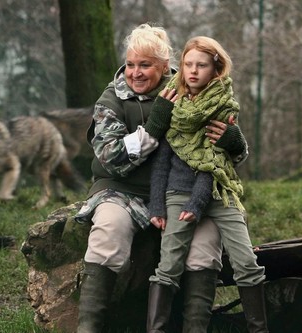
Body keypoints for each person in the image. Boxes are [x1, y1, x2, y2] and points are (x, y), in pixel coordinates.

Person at [74, 23, 249, 332]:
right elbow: (111, 158)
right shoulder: (111, 100)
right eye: (130, 64)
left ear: (165, 67)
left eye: (145, 65)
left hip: (182, 192)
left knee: (205, 244)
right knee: (109, 229)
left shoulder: (188, 90)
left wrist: (233, 140)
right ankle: (89, 327)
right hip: (120, 190)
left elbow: (224, 157)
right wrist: (154, 127)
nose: (135, 73)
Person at [146, 36, 268, 333]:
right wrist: (157, 204)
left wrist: (233, 140)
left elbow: (213, 162)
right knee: (169, 265)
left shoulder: (224, 105)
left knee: (247, 263)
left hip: (219, 191)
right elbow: (160, 161)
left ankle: (259, 329)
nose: (193, 71)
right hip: (178, 192)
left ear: (216, 69)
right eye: (188, 64)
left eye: (201, 65)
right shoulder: (170, 101)